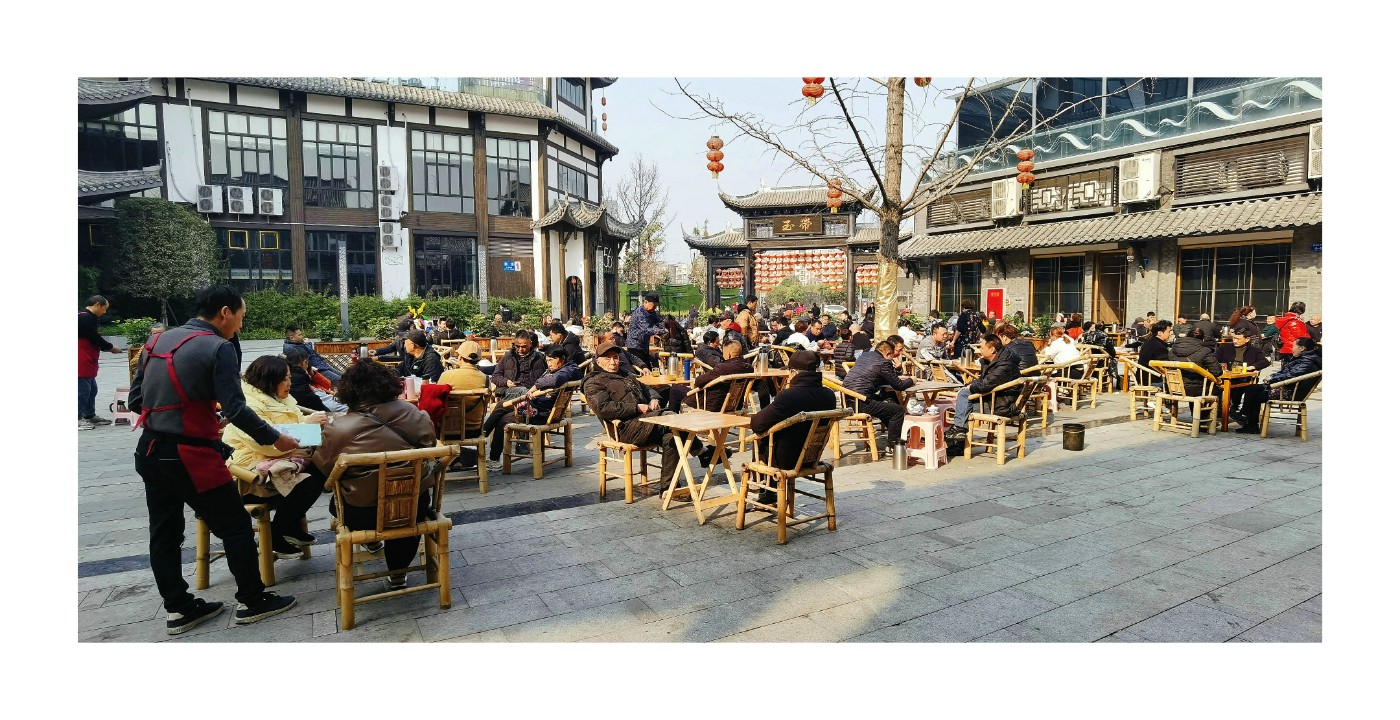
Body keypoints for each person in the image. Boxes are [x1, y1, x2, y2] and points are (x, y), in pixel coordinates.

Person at [129, 285, 300, 634]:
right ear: (225, 312)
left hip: (150, 451)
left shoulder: (156, 342)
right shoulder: (218, 347)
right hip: (192, 455)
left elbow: (136, 401)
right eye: (241, 316)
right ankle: (252, 600)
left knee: (164, 532)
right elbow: (236, 409)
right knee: (235, 526)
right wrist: (276, 438)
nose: (240, 324)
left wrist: (189, 412)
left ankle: (178, 608)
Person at [309, 360, 437, 591]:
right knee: (404, 504)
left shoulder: (339, 428)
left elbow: (326, 470)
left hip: (363, 513)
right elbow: (429, 445)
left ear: (349, 390)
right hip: (413, 506)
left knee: (338, 502)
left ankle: (374, 543)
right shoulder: (412, 412)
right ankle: (398, 571)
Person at [221, 355, 329, 559]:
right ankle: (278, 531)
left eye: (289, 378)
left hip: (276, 461)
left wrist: (311, 423)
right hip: (249, 476)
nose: (289, 383)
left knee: (321, 467)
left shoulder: (276, 397)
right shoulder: (247, 405)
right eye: (285, 378)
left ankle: (286, 526)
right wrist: (307, 425)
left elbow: (290, 425)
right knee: (312, 477)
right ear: (269, 380)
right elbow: (268, 444)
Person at [582, 341, 683, 485]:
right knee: (672, 419)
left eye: (615, 357)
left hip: (645, 421)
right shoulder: (593, 382)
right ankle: (704, 452)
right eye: (608, 358)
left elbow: (647, 389)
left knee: (672, 437)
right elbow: (603, 408)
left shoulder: (625, 374)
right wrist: (636, 408)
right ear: (598, 361)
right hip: (625, 428)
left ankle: (668, 488)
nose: (613, 362)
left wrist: (654, 399)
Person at [746, 350, 836, 504]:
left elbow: (757, 425)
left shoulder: (789, 396)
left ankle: (766, 489)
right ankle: (768, 491)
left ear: (793, 372)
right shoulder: (829, 395)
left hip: (786, 459)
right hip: (813, 457)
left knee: (762, 438)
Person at [479, 347, 581, 471]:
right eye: (547, 360)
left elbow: (554, 379)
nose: (548, 364)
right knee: (502, 406)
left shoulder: (567, 371)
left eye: (551, 360)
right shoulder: (567, 368)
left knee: (503, 419)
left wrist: (534, 388)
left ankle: (484, 444)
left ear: (562, 359)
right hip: (540, 407)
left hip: (541, 413)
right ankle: (482, 438)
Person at [946, 333, 1023, 451]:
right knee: (963, 406)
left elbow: (987, 384)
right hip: (996, 400)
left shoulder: (1004, 365)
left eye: (982, 347)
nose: (979, 350)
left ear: (992, 349)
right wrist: (968, 386)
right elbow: (983, 380)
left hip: (1003, 406)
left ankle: (959, 435)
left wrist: (969, 388)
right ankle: (959, 438)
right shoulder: (995, 360)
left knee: (963, 400)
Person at [1232, 337, 1321, 433]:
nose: (1292, 348)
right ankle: (1246, 418)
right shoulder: (1305, 359)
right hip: (1286, 388)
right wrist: (1272, 377)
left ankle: (1245, 418)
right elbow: (1286, 373)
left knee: (1254, 393)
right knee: (1252, 389)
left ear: (1302, 348)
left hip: (1290, 392)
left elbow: (1291, 375)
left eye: (1293, 346)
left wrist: (1272, 379)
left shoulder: (1307, 362)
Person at [842, 339, 915, 448]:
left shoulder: (864, 356)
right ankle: (894, 446)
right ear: (888, 353)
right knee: (897, 411)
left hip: (849, 400)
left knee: (888, 403)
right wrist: (911, 380)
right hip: (861, 402)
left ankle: (899, 437)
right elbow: (899, 386)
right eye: (892, 357)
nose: (892, 360)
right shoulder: (884, 362)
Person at [78, 294, 124, 429]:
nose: (104, 312)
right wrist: (110, 348)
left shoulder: (87, 317)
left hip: (88, 359)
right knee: (82, 391)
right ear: (97, 304)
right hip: (81, 359)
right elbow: (94, 338)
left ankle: (89, 415)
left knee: (92, 389)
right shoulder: (84, 318)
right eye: (104, 308)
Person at [283, 347, 345, 413]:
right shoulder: (299, 379)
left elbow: (327, 384)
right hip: (321, 404)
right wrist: (329, 414)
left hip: (325, 397)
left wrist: (313, 374)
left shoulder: (303, 374)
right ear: (304, 362)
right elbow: (313, 402)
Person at [491, 330, 546, 402]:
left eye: (524, 346)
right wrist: (506, 382)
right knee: (524, 391)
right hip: (510, 391)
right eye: (517, 346)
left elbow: (551, 373)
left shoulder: (540, 357)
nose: (520, 349)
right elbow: (495, 376)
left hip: (534, 391)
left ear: (530, 344)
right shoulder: (508, 357)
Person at [1169, 326, 1223, 398]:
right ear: (1202, 340)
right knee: (1218, 390)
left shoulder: (1172, 350)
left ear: (1187, 336)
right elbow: (1217, 372)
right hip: (1195, 389)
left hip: (1172, 387)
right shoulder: (1204, 351)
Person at [626, 292, 666, 369]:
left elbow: (660, 321)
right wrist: (662, 331)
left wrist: (664, 326)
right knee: (641, 369)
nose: (655, 308)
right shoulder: (639, 314)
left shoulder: (652, 312)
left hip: (644, 346)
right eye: (653, 305)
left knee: (649, 368)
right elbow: (646, 330)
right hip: (635, 347)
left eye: (656, 306)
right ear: (646, 302)